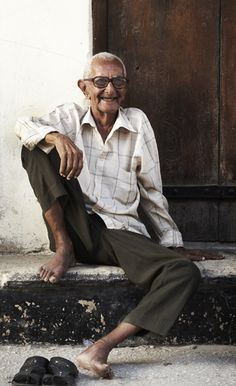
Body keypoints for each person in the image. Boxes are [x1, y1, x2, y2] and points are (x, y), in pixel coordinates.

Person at [15, 52, 202, 379]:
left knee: (183, 272)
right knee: (34, 147)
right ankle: (64, 249)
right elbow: (23, 125)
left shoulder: (137, 122)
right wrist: (56, 138)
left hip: (118, 232)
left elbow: (151, 189)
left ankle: (100, 348)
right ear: (84, 87)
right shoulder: (70, 117)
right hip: (72, 225)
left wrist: (172, 243)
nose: (109, 90)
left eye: (118, 82)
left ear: (125, 87)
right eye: (100, 82)